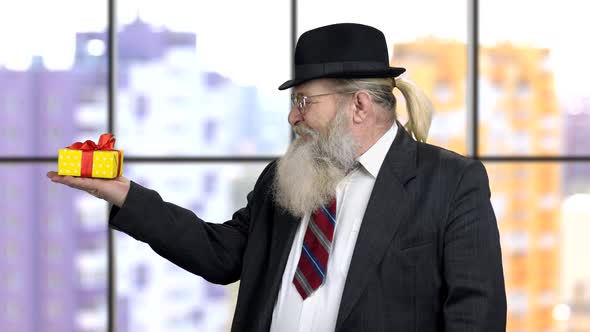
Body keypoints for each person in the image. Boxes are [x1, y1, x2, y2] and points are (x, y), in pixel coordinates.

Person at [47, 23, 507, 331]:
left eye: (306, 101)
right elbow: (220, 254)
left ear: (360, 105)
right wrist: (126, 196)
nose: (293, 117)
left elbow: (476, 315)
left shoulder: (450, 182)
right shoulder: (284, 179)